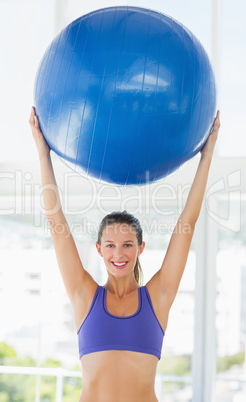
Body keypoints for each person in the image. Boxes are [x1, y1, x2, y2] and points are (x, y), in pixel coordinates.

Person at [29, 107, 220, 402]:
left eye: (127, 244)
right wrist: (43, 155)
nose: (119, 254)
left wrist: (206, 157)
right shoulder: (83, 295)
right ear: (99, 249)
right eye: (110, 245)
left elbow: (187, 225)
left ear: (140, 248)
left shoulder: (158, 297)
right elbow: (56, 224)